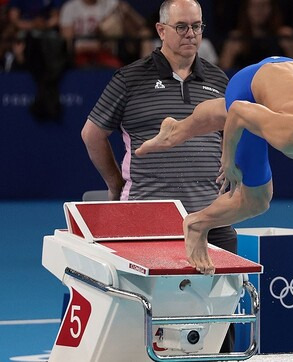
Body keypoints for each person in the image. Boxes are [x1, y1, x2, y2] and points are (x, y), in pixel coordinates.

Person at [136, 56, 293, 275]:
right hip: (250, 85)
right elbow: (238, 111)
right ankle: (196, 225)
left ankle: (176, 129)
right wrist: (228, 158)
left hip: (288, 72)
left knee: (251, 114)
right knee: (257, 200)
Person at [80, 0, 236, 351]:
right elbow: (91, 134)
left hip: (212, 219)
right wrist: (113, 183)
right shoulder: (129, 78)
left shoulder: (218, 78)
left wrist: (232, 159)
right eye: (182, 27)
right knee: (151, 329)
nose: (191, 34)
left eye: (197, 26)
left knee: (219, 328)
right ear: (161, 30)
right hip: (148, 222)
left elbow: (235, 132)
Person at [218, 0, 293, 69]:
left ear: (272, 8)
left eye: (264, 5)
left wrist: (292, 49)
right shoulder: (237, 38)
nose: (259, 10)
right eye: (254, 6)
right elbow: (223, 74)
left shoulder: (284, 36)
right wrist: (230, 54)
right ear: (246, 9)